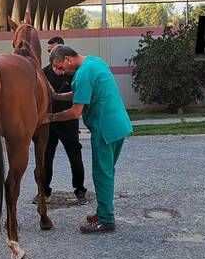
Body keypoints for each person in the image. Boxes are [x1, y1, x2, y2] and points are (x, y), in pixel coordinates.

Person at [48, 45, 133, 234]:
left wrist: (51, 117)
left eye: (60, 67)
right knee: (107, 172)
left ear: (69, 59)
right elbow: (82, 92)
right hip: (119, 125)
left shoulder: (82, 74)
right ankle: (104, 211)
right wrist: (57, 96)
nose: (60, 72)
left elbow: (75, 112)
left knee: (102, 174)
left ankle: (106, 220)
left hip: (104, 129)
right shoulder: (94, 62)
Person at [33, 36, 89, 206]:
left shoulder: (74, 73)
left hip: (69, 122)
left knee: (75, 157)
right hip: (48, 123)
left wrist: (59, 98)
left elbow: (78, 97)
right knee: (45, 159)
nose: (52, 53)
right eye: (49, 50)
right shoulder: (42, 73)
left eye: (55, 49)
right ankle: (44, 192)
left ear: (65, 53)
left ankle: (80, 191)